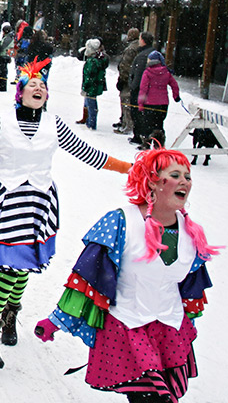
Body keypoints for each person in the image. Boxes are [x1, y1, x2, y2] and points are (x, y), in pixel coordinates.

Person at [0, 58, 131, 370]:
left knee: (26, 265)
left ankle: (10, 313)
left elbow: (92, 156)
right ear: (19, 93)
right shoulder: (2, 121)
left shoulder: (54, 124)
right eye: (33, 84)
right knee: (12, 270)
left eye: (43, 86)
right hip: (8, 203)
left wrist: (131, 168)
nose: (39, 88)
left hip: (39, 203)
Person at [35, 148, 218, 403]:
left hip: (168, 331)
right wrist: (57, 320)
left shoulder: (191, 232)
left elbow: (191, 292)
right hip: (126, 329)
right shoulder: (120, 223)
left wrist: (187, 330)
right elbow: (88, 280)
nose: (185, 182)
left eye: (188, 176)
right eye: (175, 174)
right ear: (152, 181)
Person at [138, 51, 180, 148]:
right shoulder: (166, 72)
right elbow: (174, 85)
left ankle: (146, 144)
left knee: (148, 124)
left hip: (150, 103)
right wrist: (176, 96)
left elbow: (143, 89)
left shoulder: (147, 72)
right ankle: (159, 144)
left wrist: (140, 104)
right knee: (159, 124)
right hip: (163, 104)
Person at [128, 32, 155, 145]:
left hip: (139, 90)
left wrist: (133, 87)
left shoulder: (144, 55)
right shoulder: (147, 52)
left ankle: (139, 136)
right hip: (143, 89)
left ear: (143, 40)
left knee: (137, 113)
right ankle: (140, 135)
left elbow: (139, 74)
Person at [115, 28, 141, 134]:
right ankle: (126, 122)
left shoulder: (131, 49)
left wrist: (122, 79)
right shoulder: (140, 46)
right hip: (135, 79)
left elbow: (125, 65)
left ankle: (127, 125)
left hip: (128, 80)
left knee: (126, 102)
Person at [79, 38, 108, 130]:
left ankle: (91, 123)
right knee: (90, 102)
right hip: (96, 85)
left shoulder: (92, 61)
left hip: (91, 86)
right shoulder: (99, 59)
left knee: (91, 103)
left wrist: (85, 87)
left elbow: (89, 75)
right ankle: (89, 121)